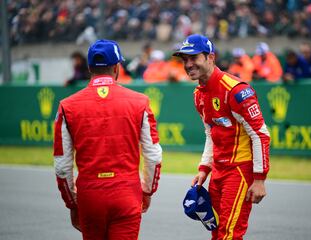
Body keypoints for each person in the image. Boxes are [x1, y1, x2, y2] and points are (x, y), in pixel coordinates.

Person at [53, 39, 162, 240]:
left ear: (89, 67)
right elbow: (154, 156)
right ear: (116, 67)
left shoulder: (67, 106)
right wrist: (147, 191)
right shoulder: (140, 102)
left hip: (90, 195)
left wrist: (72, 202)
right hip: (127, 192)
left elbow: (61, 165)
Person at [173, 34, 270, 240]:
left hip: (239, 171)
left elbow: (261, 134)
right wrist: (204, 169)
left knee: (230, 234)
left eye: (193, 58)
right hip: (217, 171)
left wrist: (260, 179)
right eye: (184, 59)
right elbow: (211, 133)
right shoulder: (198, 94)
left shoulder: (236, 90)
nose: (188, 64)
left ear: (211, 57)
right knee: (216, 230)